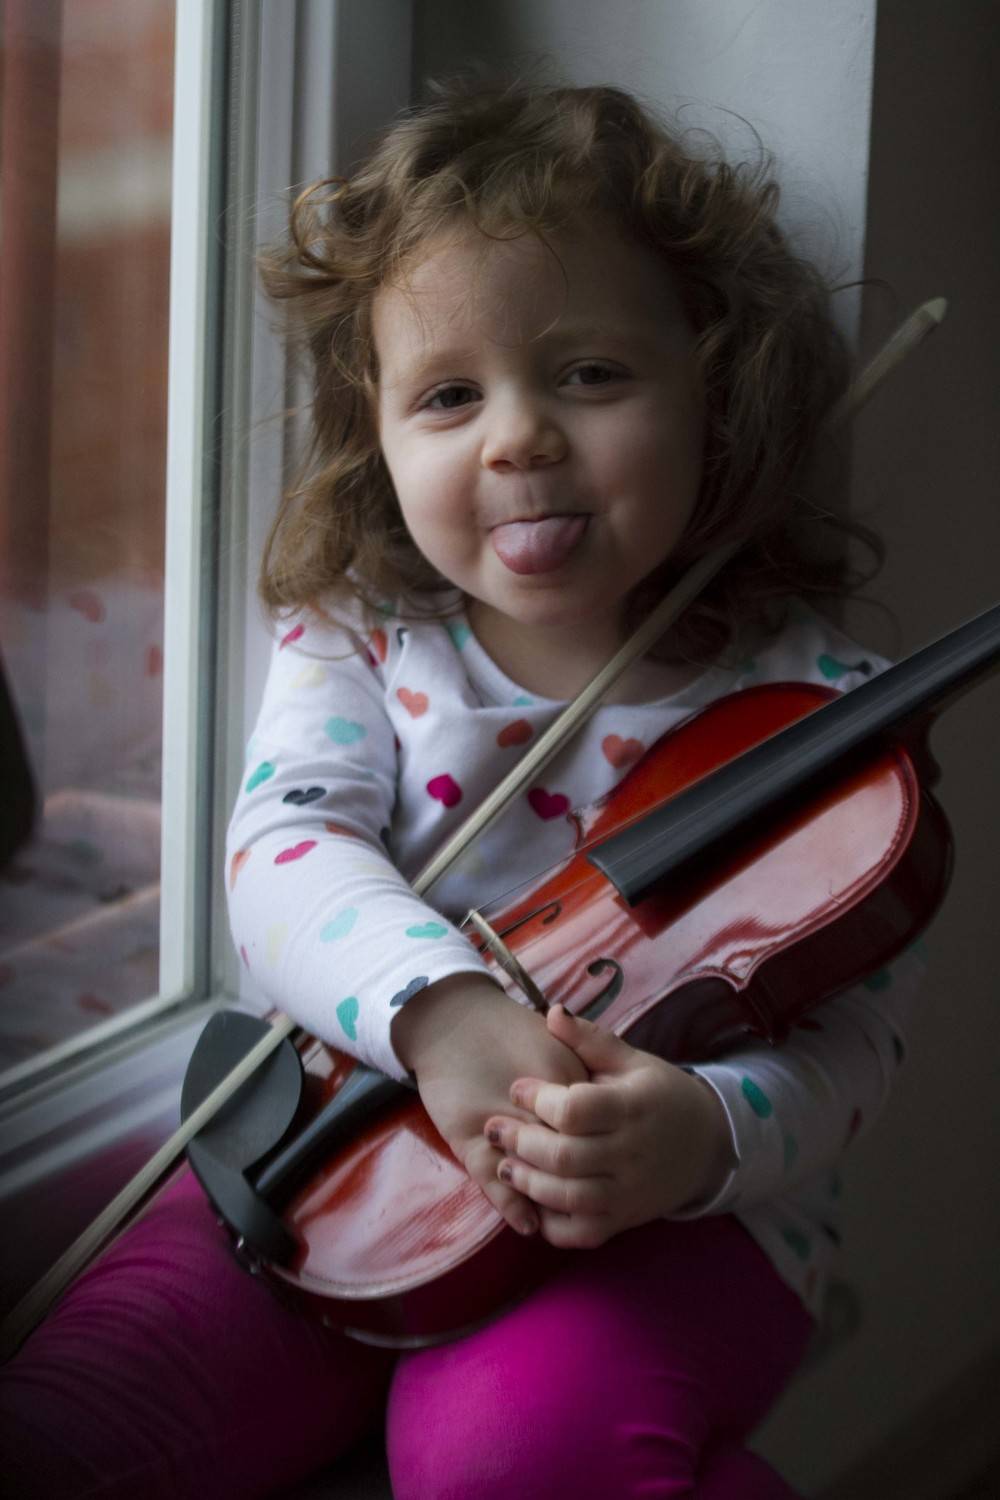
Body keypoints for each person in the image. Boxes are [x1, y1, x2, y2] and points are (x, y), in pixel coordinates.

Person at [0, 77, 924, 1499]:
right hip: (342, 1145)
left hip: (664, 1222)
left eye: (590, 375)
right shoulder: (364, 637)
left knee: (516, 1460)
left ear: (714, 382)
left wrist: (700, 1136)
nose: (517, 438)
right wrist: (442, 1013)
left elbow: (856, 1045)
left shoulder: (822, 717)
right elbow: (284, 853)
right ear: (376, 434)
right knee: (85, 1417)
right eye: (448, 396)